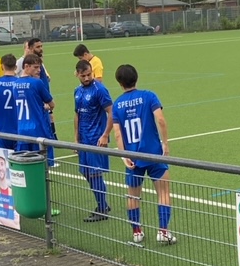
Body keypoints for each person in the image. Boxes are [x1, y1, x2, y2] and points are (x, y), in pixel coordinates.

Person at [112, 64, 176, 244]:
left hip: (133, 157)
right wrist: (165, 143)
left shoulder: (118, 104)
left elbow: (117, 133)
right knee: (163, 192)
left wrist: (124, 155)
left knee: (133, 195)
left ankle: (137, 232)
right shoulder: (149, 96)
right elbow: (161, 119)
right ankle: (163, 232)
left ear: (120, 83)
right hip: (154, 154)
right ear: (136, 78)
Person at [74, 60, 113, 222]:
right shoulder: (77, 91)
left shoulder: (99, 89)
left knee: (95, 173)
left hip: (96, 139)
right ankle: (103, 203)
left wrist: (105, 135)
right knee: (85, 172)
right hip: (83, 139)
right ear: (77, 74)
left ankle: (102, 209)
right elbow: (77, 114)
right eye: (83, 75)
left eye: (89, 74)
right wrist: (76, 138)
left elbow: (111, 112)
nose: (87, 78)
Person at [13, 54, 55, 164]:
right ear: (26, 66)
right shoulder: (37, 83)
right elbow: (52, 104)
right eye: (35, 67)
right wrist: (46, 106)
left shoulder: (15, 84)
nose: (39, 70)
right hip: (38, 129)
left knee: (25, 164)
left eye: (39, 67)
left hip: (22, 130)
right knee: (42, 164)